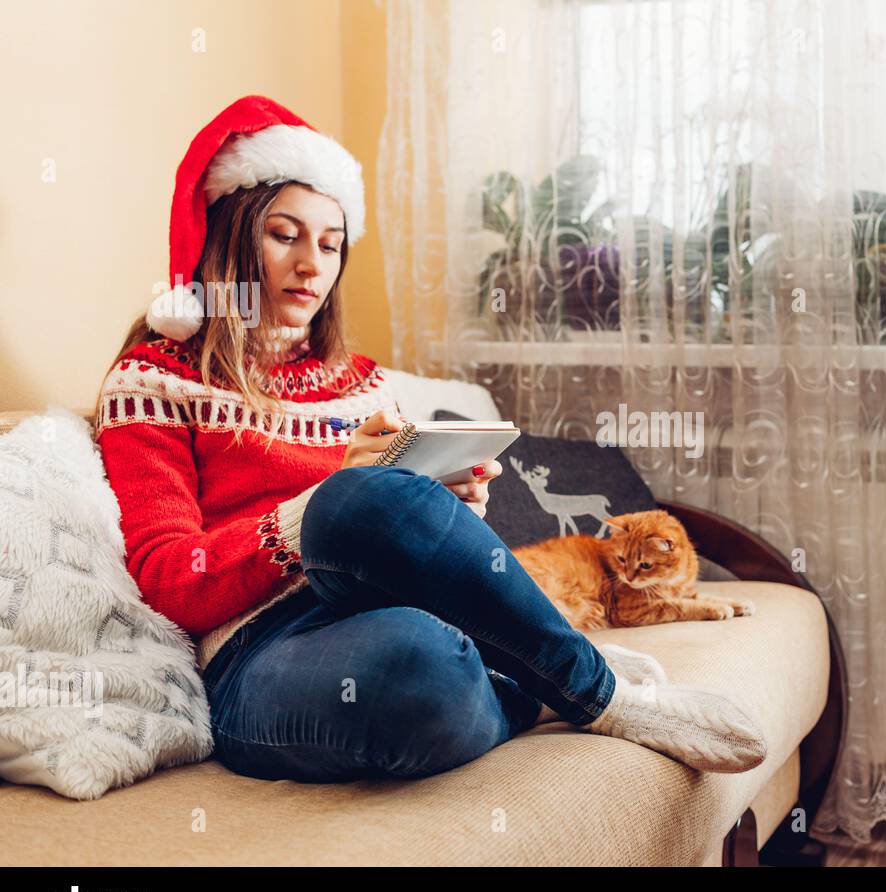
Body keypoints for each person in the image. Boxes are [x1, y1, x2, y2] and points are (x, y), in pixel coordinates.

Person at [95, 95, 768, 783]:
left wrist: (451, 498)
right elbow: (173, 579)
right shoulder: (152, 381)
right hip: (257, 649)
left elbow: (408, 533)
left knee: (394, 553)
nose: (313, 266)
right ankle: (582, 686)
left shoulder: (360, 381)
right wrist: (325, 503)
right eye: (284, 235)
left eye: (331, 245)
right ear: (230, 235)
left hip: (395, 603)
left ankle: (573, 682)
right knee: (417, 662)